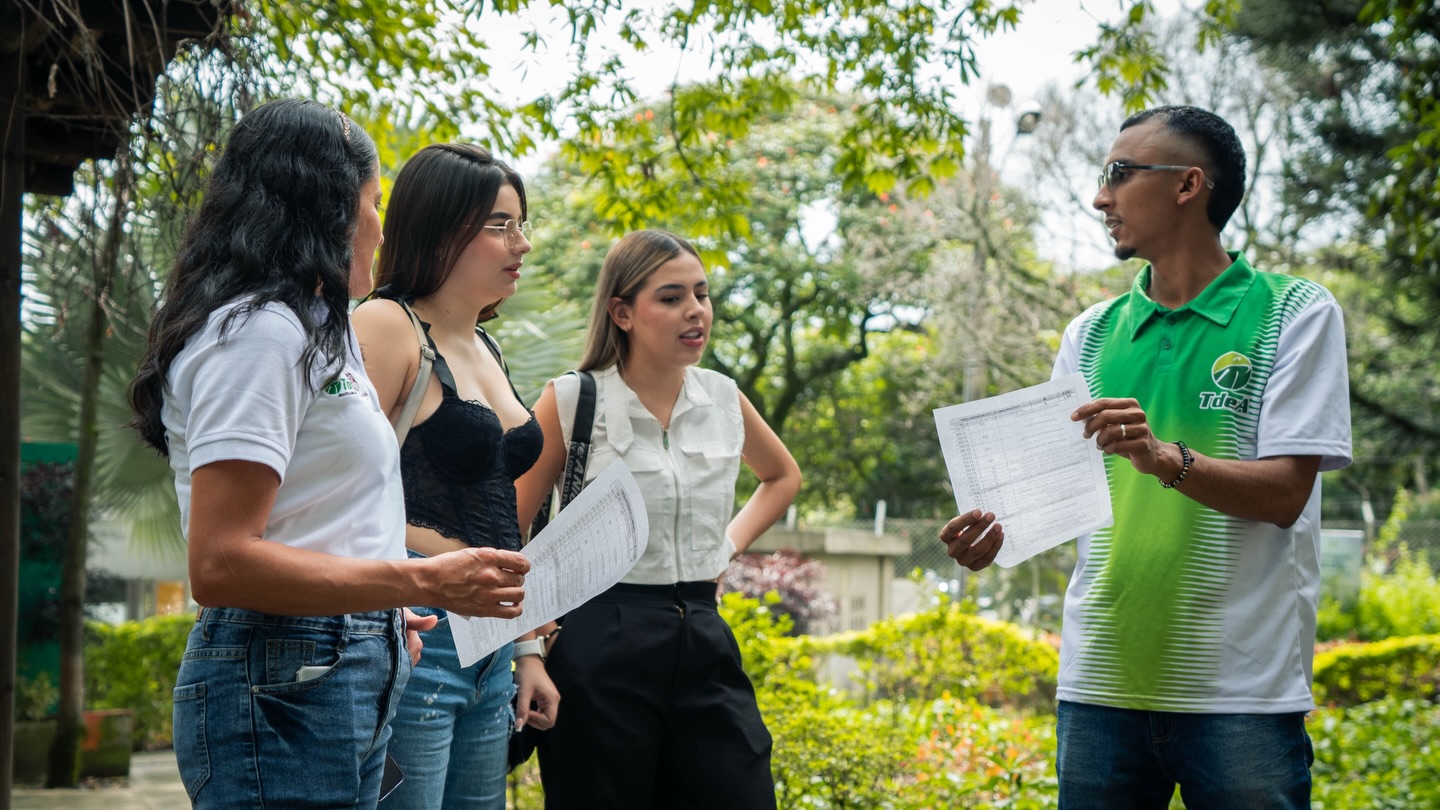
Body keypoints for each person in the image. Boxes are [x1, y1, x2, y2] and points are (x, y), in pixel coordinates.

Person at [942, 105, 1351, 808]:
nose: (1102, 196)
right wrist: (999, 535)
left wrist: (1167, 458)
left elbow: (1288, 494)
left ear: (1189, 185)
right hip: (1097, 686)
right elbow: (1060, 495)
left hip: (1241, 693)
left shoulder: (1297, 313)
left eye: (1120, 174)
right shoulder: (1091, 334)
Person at [127, 99, 530, 810]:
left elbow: (321, 517)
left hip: (342, 658)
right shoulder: (255, 334)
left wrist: (380, 611)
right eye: (373, 202)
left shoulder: (320, 328)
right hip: (283, 673)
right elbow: (220, 562)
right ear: (325, 207)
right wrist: (420, 584)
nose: (380, 226)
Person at [513, 229, 802, 809]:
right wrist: (525, 653)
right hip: (599, 637)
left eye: (702, 293)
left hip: (702, 631)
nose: (695, 311)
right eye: (671, 297)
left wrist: (724, 550)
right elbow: (510, 529)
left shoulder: (722, 396)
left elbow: (783, 477)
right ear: (621, 312)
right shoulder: (573, 399)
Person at [350, 143, 559, 809]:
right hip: (421, 631)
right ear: (440, 226)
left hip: (493, 642)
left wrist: (526, 646)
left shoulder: (486, 344)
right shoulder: (385, 326)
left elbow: (499, 507)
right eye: (500, 225)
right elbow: (337, 494)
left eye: (522, 224)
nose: (520, 243)